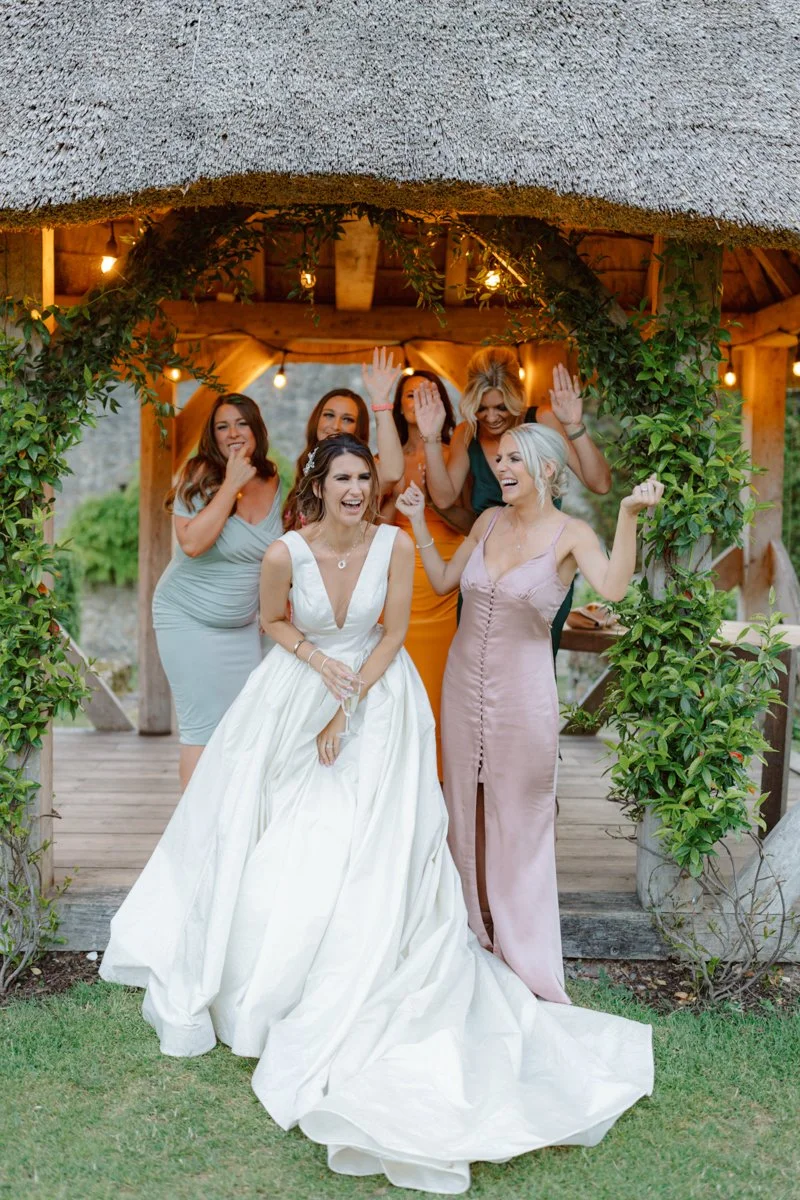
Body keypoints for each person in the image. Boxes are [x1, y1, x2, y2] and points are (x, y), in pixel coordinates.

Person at [101, 432, 653, 1196]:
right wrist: (324, 658)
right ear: (320, 485)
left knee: (458, 832)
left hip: (423, 695)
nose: (356, 488)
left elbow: (401, 630)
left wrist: (346, 703)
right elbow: (293, 617)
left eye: (365, 476)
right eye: (344, 478)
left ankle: (514, 957)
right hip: (351, 689)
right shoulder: (302, 550)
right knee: (339, 832)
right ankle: (313, 961)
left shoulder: (448, 542)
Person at [396, 423, 663, 1005]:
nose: (501, 468)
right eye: (499, 459)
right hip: (461, 687)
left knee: (521, 815)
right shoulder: (487, 522)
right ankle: (471, 932)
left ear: (546, 468)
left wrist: (627, 516)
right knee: (462, 807)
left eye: (514, 459)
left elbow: (614, 588)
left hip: (523, 693)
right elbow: (443, 583)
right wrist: (416, 523)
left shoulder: (572, 534)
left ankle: (523, 948)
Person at [415, 345, 612, 651]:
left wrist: (573, 425)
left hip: (540, 576)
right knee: (477, 661)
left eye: (501, 407)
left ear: (517, 397)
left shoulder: (542, 419)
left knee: (533, 664)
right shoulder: (467, 433)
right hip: (485, 575)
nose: (491, 417)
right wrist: (430, 438)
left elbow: (599, 484)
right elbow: (443, 498)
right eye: (482, 408)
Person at [152, 392, 282, 790]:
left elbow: (277, 555)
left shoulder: (274, 479)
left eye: (241, 423)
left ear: (256, 429)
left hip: (242, 629)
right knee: (202, 730)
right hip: (187, 619)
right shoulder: (197, 474)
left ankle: (229, 819)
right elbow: (192, 543)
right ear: (213, 435)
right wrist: (231, 484)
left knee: (243, 725)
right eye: (222, 426)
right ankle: (193, 826)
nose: (233, 433)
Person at [380, 369, 469, 765]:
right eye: (410, 395)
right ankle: (398, 771)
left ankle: (440, 774)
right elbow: (374, 527)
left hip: (445, 571)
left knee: (439, 680)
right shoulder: (386, 458)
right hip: (398, 575)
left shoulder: (456, 449)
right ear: (399, 407)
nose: (419, 401)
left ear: (443, 403)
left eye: (428, 393)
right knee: (396, 681)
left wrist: (431, 501)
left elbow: (462, 513)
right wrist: (391, 497)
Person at [282, 345, 404, 530]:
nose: (336, 425)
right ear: (317, 419)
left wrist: (381, 401)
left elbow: (393, 473)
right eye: (329, 415)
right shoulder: (306, 463)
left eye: (347, 419)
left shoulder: (363, 469)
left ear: (358, 428)